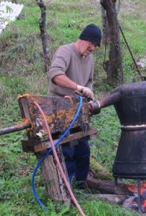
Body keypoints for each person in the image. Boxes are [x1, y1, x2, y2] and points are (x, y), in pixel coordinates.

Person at [47, 24, 102, 188]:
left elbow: (89, 81)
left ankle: (80, 186)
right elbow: (55, 74)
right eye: (91, 44)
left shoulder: (89, 59)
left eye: (96, 46)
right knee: (67, 151)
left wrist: (88, 92)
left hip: (79, 112)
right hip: (60, 110)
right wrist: (77, 88)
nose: (92, 48)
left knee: (83, 152)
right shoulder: (65, 51)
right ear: (83, 39)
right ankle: (67, 188)